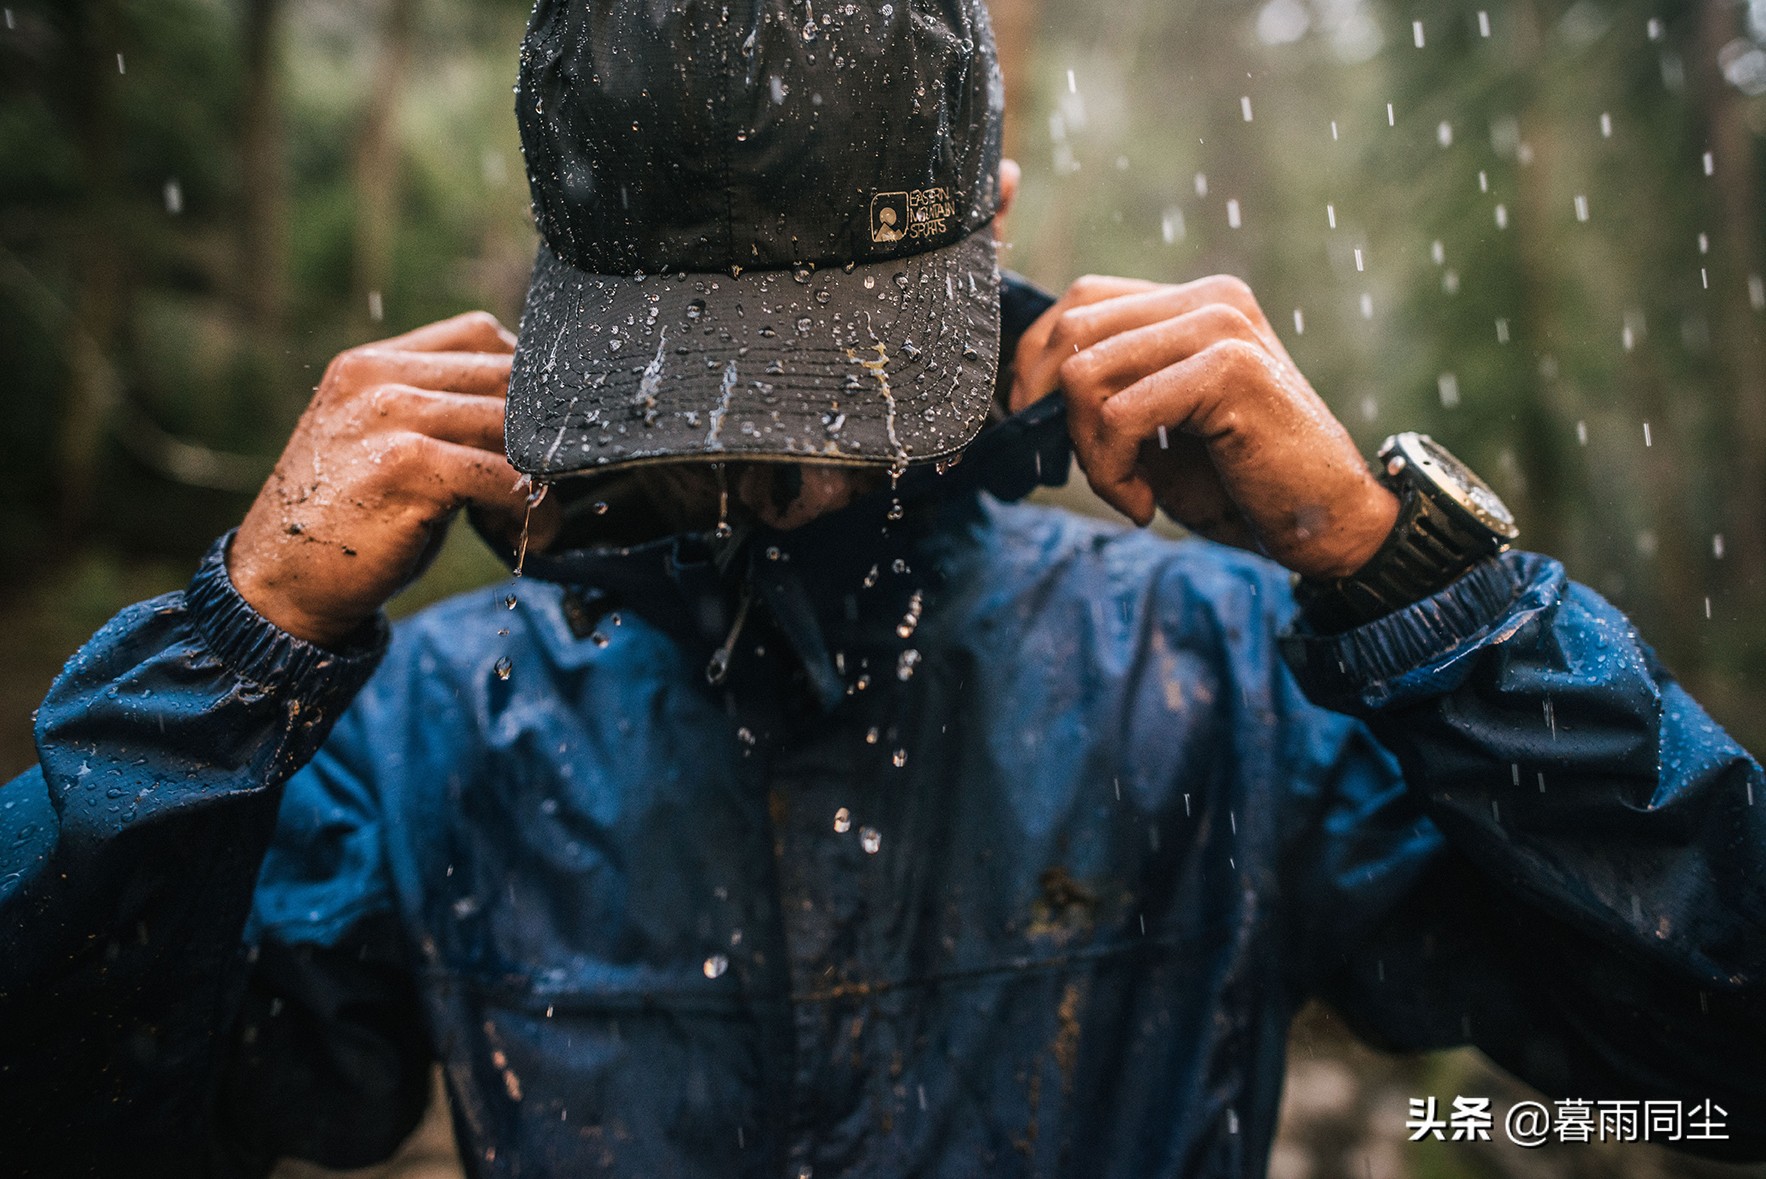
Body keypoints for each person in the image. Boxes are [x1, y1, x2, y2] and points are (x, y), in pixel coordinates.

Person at [2, 0, 1762, 1175]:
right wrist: (229, 658)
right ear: (580, 298)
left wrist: (1408, 586)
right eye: (699, 373)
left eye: (836, 374)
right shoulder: (437, 726)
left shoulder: (1214, 671)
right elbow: (73, 1112)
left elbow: (1716, 1049)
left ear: (987, 222)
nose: (776, 469)